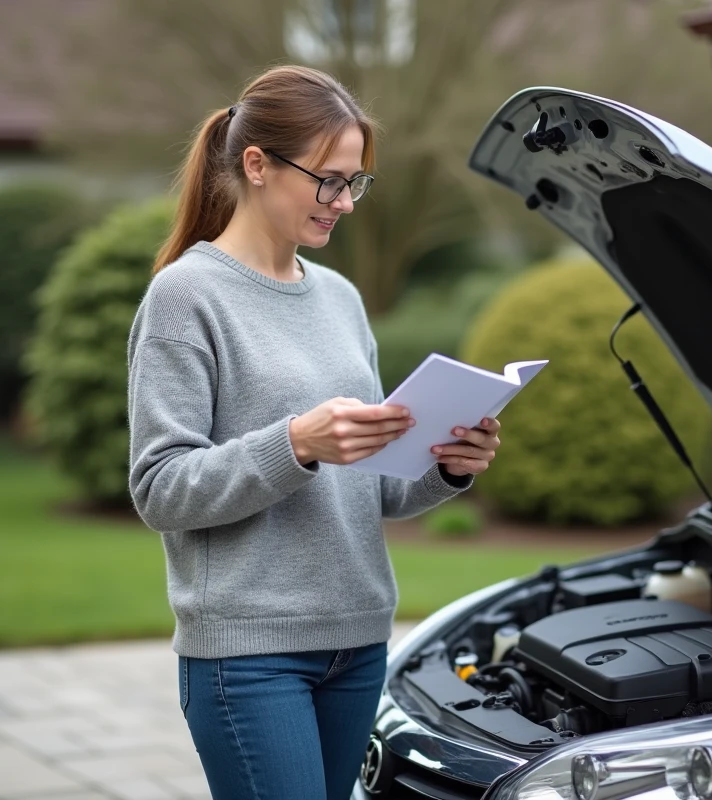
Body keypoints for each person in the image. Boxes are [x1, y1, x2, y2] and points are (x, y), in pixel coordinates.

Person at [125, 65, 504, 800]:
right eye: (328, 180)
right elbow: (160, 489)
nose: (345, 202)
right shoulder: (185, 297)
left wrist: (447, 467)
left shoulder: (341, 298)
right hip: (250, 657)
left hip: (358, 644)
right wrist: (294, 443)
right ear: (257, 166)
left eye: (356, 182)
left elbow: (374, 484)